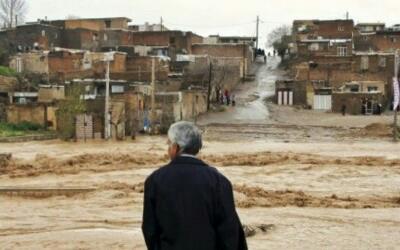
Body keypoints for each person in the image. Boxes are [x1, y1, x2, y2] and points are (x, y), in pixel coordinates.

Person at [142, 121, 247, 250]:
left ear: (176, 148)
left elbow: (150, 230)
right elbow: (230, 231)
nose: (168, 149)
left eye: (169, 144)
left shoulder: (155, 180)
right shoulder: (219, 181)